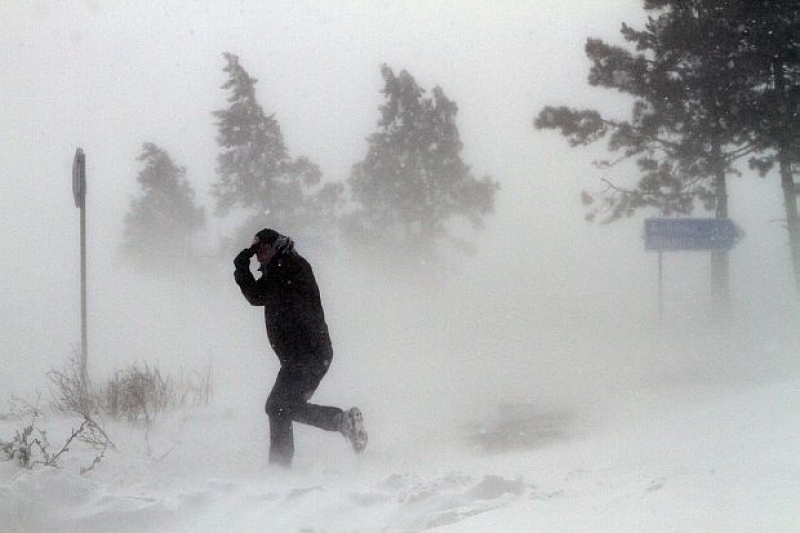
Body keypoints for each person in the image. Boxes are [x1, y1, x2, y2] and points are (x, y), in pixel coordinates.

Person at [234, 228, 367, 467]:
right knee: (287, 406)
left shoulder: (286, 266)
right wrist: (246, 265)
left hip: (306, 354)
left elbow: (256, 295)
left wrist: (242, 267)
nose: (258, 256)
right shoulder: (285, 266)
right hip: (308, 354)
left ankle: (280, 467)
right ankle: (342, 421)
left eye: (261, 249)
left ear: (274, 247)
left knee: (277, 406)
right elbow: (260, 295)